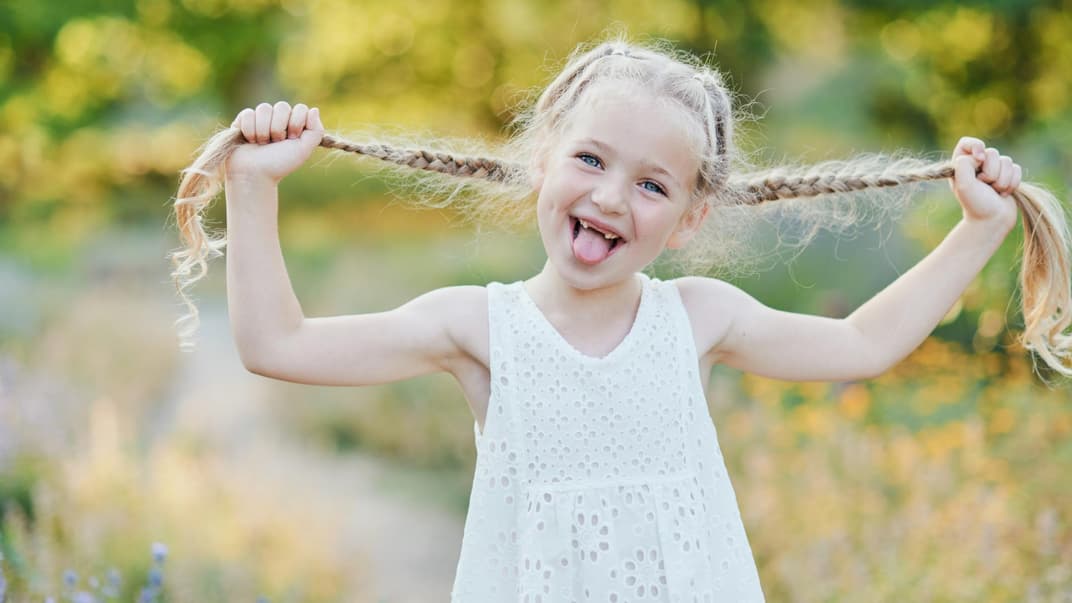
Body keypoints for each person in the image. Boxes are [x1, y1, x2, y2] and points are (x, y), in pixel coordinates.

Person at [168, 38, 1072, 601]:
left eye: (650, 184)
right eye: (590, 159)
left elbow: (864, 343)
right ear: (540, 164)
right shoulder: (478, 328)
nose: (609, 197)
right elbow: (274, 346)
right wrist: (252, 190)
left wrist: (976, 232)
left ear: (690, 218)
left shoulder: (698, 317)